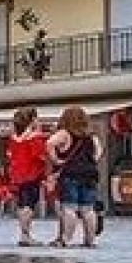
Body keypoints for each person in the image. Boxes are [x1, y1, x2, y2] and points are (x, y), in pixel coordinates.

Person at [47, 105, 103, 247]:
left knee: (69, 208)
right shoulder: (91, 136)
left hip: (70, 174)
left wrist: (55, 159)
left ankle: (66, 239)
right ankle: (90, 240)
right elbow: (98, 152)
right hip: (89, 174)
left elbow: (49, 143)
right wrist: (90, 162)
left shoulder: (65, 133)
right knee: (88, 209)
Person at [3, 107, 50, 247]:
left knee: (22, 204)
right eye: (36, 118)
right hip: (31, 174)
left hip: (17, 175)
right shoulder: (34, 138)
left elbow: (10, 155)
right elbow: (40, 156)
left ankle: (23, 234)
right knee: (29, 205)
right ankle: (25, 235)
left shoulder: (13, 138)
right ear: (32, 120)